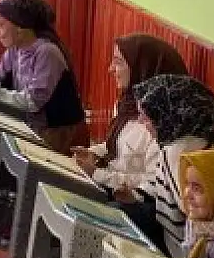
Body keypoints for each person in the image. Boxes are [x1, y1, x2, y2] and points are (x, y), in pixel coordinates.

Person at [0, 0, 89, 154]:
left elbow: (32, 103)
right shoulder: (15, 49)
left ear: (20, 26)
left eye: (0, 24)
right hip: (35, 127)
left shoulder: (47, 52)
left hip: (59, 134)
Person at [117, 74, 214, 258]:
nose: (141, 122)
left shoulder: (178, 151)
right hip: (182, 238)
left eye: (146, 117)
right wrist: (135, 195)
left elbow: (189, 210)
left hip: (180, 248)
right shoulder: (204, 139)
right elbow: (161, 186)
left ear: (167, 116)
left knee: (116, 216)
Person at [73, 34, 188, 191]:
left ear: (142, 68)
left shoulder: (163, 123)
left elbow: (152, 184)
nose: (110, 69)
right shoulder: (126, 104)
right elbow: (118, 148)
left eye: (118, 62)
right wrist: (94, 154)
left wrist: (99, 175)